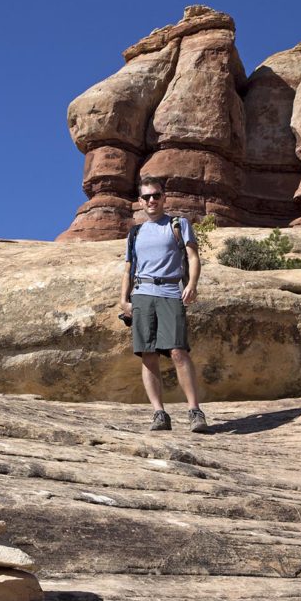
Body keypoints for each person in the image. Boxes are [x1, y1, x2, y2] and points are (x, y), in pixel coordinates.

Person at [120, 176, 210, 433]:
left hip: (170, 291)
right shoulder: (135, 232)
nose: (151, 200)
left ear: (164, 197)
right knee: (148, 355)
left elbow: (193, 257)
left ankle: (195, 411)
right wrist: (123, 299)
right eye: (146, 196)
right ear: (140, 201)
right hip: (142, 293)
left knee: (178, 351)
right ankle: (159, 413)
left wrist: (192, 284)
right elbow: (128, 269)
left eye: (156, 195)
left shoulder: (178, 224)